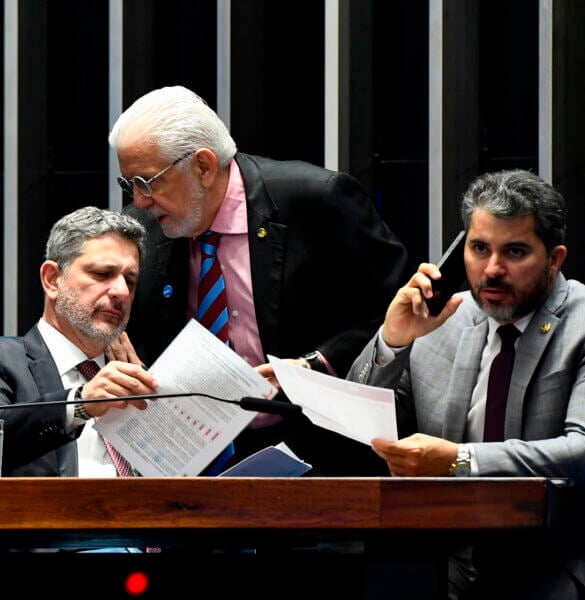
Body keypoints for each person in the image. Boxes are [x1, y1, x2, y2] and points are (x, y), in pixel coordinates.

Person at [347, 169, 585, 598]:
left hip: (567, 562)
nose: (492, 270)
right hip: (452, 564)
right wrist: (391, 341)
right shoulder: (440, 321)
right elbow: (358, 426)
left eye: (515, 252)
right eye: (479, 248)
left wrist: (458, 459)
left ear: (555, 258)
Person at [108, 85, 410, 475]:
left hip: (319, 449)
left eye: (148, 182)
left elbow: (397, 310)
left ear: (203, 165)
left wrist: (312, 365)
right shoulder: (143, 228)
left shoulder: (316, 200)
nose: (139, 201)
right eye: (129, 184)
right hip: (193, 459)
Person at [0, 206, 157, 477]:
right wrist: (80, 404)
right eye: (103, 274)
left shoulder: (138, 376)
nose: (122, 292)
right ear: (52, 279)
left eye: (130, 280)